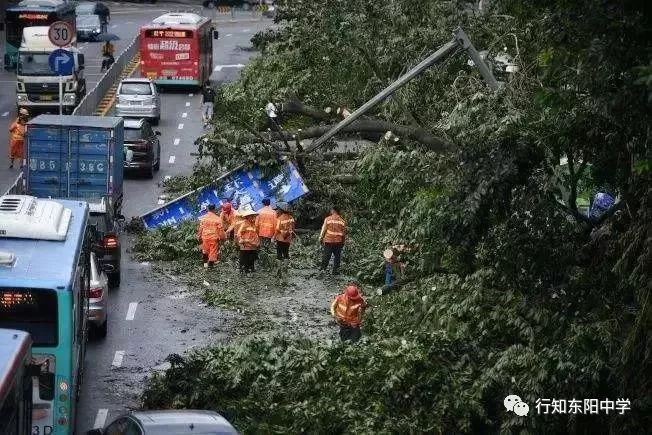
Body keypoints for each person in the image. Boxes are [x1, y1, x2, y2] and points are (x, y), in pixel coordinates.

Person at [197, 204, 227, 268]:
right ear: (214, 209)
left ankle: (205, 264)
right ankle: (210, 267)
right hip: (213, 238)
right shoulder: (217, 219)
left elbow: (200, 228)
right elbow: (221, 230)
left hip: (205, 237)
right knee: (213, 251)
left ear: (208, 209)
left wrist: (199, 236)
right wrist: (223, 238)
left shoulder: (204, 218)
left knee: (205, 250)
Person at [319, 205, 347, 275]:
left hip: (329, 240)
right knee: (337, 257)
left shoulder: (328, 219)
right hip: (338, 241)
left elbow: (323, 230)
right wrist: (343, 242)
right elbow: (344, 234)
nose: (330, 211)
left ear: (333, 211)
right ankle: (335, 271)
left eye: (331, 210)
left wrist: (320, 238)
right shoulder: (342, 221)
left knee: (326, 256)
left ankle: (323, 269)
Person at [237, 207, 260, 273]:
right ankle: (245, 271)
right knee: (245, 260)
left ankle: (251, 270)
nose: (253, 217)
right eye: (251, 216)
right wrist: (242, 240)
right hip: (246, 246)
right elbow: (239, 233)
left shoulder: (253, 224)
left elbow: (255, 234)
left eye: (253, 216)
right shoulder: (244, 224)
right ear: (248, 217)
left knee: (251, 259)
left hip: (252, 245)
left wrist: (257, 242)